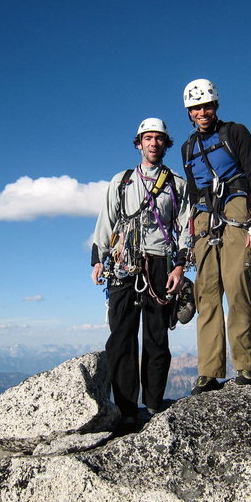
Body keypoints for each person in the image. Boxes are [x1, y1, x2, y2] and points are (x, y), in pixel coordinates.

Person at [91, 117, 190, 424]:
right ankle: (125, 407)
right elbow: (106, 221)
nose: (153, 143)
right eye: (148, 138)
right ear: (139, 143)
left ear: (165, 144)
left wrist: (179, 265)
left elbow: (186, 226)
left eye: (158, 139)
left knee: (157, 337)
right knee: (121, 336)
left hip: (160, 262)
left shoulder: (177, 184)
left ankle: (154, 403)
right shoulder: (121, 181)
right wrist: (98, 258)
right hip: (123, 263)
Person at [180, 79, 251, 394]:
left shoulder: (235, 133)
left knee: (237, 286)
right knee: (207, 293)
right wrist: (190, 232)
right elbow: (192, 191)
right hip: (203, 218)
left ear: (215, 106)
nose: (202, 112)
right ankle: (209, 371)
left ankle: (243, 367)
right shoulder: (188, 147)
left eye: (206, 106)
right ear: (189, 112)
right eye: (195, 108)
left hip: (236, 211)